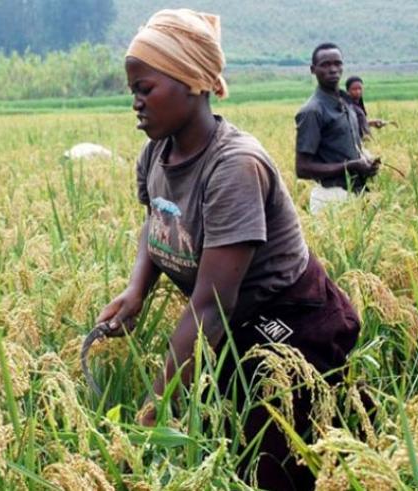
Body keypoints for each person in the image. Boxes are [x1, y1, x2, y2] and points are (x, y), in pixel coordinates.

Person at [95, 10, 361, 489]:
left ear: (194, 81)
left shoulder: (233, 167)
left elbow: (210, 307)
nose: (135, 102)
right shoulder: (158, 152)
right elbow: (157, 222)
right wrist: (137, 289)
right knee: (225, 440)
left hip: (295, 326)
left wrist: (153, 410)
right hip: (238, 327)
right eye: (132, 89)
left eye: (145, 88)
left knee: (269, 467)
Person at [295, 43, 380, 214]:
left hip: (356, 195)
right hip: (330, 198)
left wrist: (366, 165)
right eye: (325, 65)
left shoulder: (346, 103)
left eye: (337, 63)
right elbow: (302, 168)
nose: (333, 69)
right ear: (313, 70)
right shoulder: (313, 111)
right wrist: (351, 166)